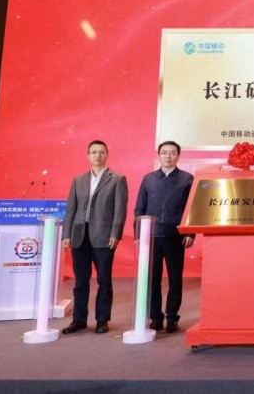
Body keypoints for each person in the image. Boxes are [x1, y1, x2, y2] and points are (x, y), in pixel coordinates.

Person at [61, 140, 128, 335]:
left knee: (104, 281)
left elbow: (120, 210)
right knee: (80, 282)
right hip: (79, 236)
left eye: (101, 152)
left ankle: (102, 320)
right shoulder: (78, 180)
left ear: (107, 155)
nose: (97, 155)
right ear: (88, 156)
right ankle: (79, 320)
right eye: (93, 152)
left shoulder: (117, 179)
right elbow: (70, 209)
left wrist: (115, 233)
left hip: (104, 236)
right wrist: (66, 234)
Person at [134, 141, 194, 333]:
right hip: (151, 236)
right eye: (164, 153)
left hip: (175, 236)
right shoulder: (149, 179)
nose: (168, 156)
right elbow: (139, 208)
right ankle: (156, 317)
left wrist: (190, 233)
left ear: (178, 156)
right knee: (152, 279)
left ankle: (172, 317)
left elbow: (191, 208)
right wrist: (138, 233)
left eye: (172, 153)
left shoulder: (187, 179)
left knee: (175, 279)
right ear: (159, 155)